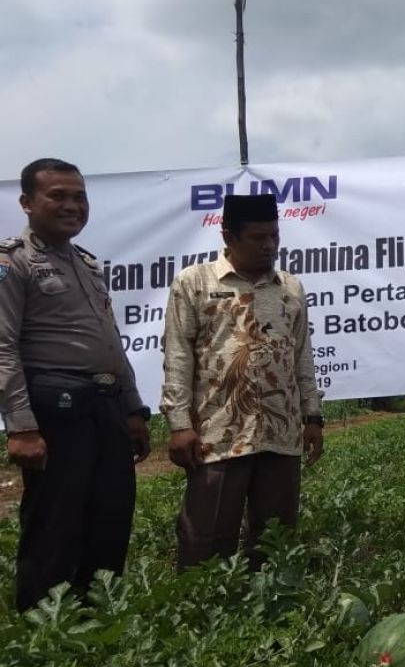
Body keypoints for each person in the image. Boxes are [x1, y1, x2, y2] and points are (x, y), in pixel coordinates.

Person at [0, 158, 152, 610]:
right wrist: (22, 427)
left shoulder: (87, 264)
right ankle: (43, 627)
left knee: (110, 513)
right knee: (55, 523)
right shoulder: (12, 263)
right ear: (27, 203)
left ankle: (99, 615)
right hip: (55, 411)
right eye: (58, 196)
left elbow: (110, 343)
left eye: (79, 197)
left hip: (104, 406)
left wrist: (133, 409)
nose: (72, 206)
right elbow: (3, 347)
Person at [161, 194, 324, 570]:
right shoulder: (194, 282)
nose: (269, 246)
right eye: (258, 238)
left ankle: (268, 609)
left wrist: (312, 416)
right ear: (229, 237)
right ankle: (202, 610)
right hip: (217, 433)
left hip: (280, 431)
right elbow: (178, 356)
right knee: (206, 536)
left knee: (275, 537)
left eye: (274, 236)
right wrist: (180, 424)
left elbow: (301, 354)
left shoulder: (290, 288)